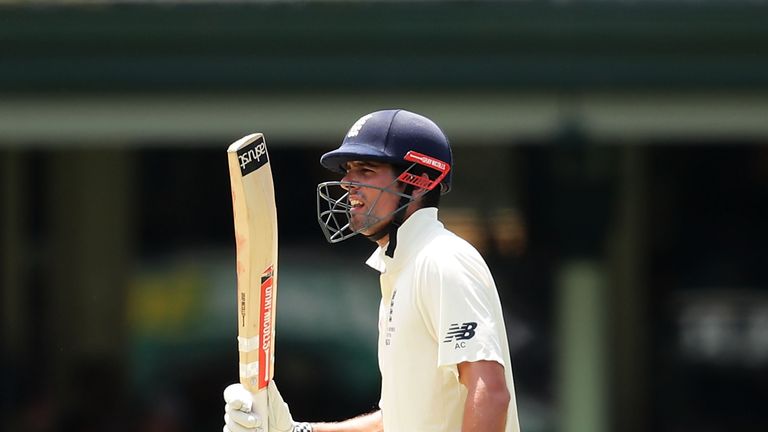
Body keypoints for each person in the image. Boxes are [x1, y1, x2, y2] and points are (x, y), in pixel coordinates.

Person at [223, 109, 520, 432]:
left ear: (419, 182)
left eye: (365, 170)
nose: (347, 183)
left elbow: (490, 393)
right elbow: (397, 421)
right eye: (348, 171)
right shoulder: (400, 271)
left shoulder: (441, 260)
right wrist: (297, 431)